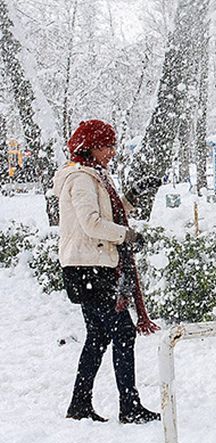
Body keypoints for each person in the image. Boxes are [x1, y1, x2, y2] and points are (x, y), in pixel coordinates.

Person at [53, 119, 160, 424]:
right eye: (107, 146)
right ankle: (129, 406)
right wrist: (128, 235)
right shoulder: (82, 179)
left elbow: (108, 213)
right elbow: (92, 224)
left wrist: (132, 197)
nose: (112, 151)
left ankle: (80, 404)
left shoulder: (95, 175)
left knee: (98, 336)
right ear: (91, 147)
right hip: (89, 268)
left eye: (113, 145)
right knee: (123, 332)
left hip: (88, 266)